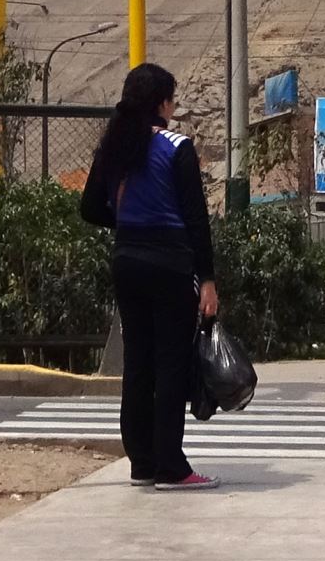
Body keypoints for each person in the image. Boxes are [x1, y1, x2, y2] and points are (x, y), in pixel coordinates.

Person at [80, 63, 220, 491]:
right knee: (171, 362)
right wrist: (208, 279)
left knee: (138, 362)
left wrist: (127, 223)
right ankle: (171, 467)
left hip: (127, 260)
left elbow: (88, 208)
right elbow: (196, 220)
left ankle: (141, 462)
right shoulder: (177, 147)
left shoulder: (114, 147)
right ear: (162, 103)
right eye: (173, 99)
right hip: (170, 264)